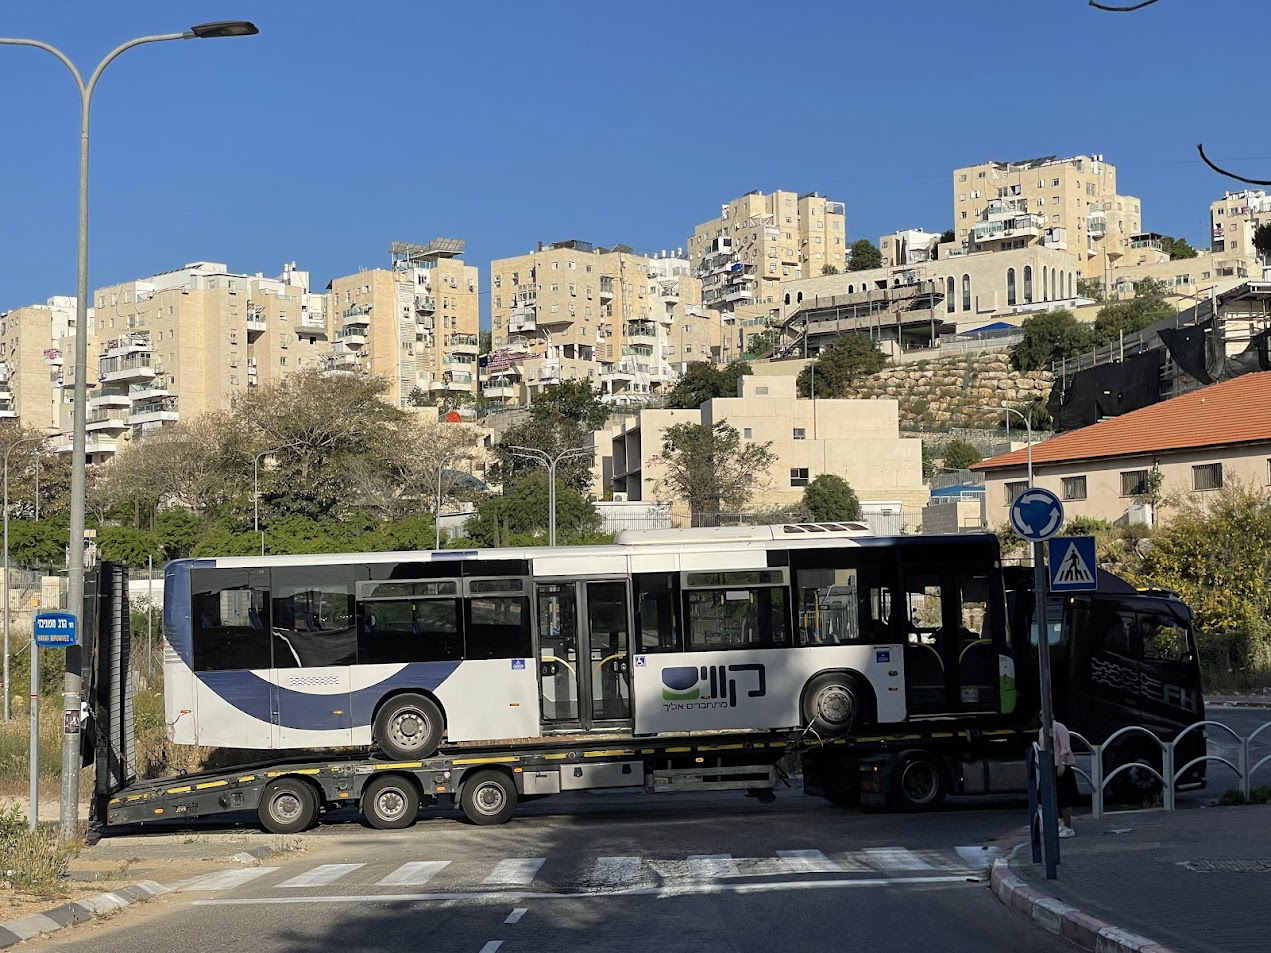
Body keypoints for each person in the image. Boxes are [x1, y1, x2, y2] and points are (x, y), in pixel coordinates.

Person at [1041, 719, 1078, 838]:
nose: (1042, 717)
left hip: (1061, 766)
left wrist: (1062, 763)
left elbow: (1065, 747)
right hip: (1049, 766)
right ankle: (1060, 823)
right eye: (1040, 715)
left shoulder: (1059, 727)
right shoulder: (1042, 730)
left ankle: (1068, 826)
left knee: (1064, 798)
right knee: (1054, 797)